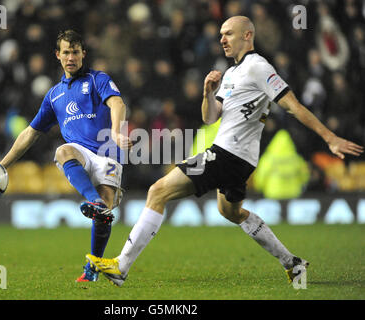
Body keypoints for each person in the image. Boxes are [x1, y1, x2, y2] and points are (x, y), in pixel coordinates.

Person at [86, 16, 364, 287]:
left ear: (247, 35)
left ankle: (121, 266)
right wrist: (208, 93)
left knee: (157, 191)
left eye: (228, 33)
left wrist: (330, 138)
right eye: (220, 34)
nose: (222, 39)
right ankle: (293, 264)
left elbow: (293, 105)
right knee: (230, 212)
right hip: (239, 159)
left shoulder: (258, 67)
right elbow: (210, 118)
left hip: (227, 154)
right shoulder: (231, 73)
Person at [0, 30, 132, 282]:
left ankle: (92, 267)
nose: (71, 57)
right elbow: (30, 132)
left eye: (75, 52)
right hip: (79, 153)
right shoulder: (54, 95)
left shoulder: (97, 79)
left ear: (83, 54)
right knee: (63, 150)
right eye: (66, 52)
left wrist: (116, 131)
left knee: (104, 212)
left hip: (107, 153)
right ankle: (94, 200)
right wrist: (2, 165)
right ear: (57, 55)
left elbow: (117, 103)